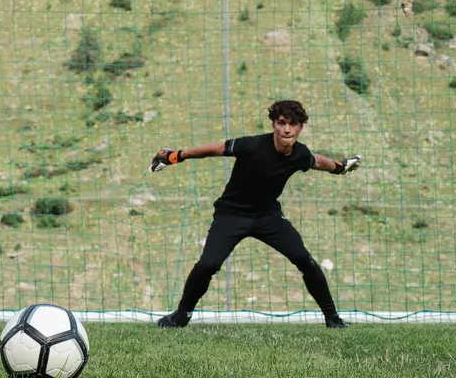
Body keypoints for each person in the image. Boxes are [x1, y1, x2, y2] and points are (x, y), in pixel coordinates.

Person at [149, 99, 360, 328]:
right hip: (231, 215)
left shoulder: (300, 154)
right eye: (281, 123)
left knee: (304, 260)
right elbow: (215, 149)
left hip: (268, 217)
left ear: (301, 127)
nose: (286, 129)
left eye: (293, 123)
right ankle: (181, 314)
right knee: (208, 264)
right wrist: (176, 155)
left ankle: (332, 318)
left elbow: (317, 162)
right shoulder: (252, 146)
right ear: (273, 124)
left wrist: (339, 167)